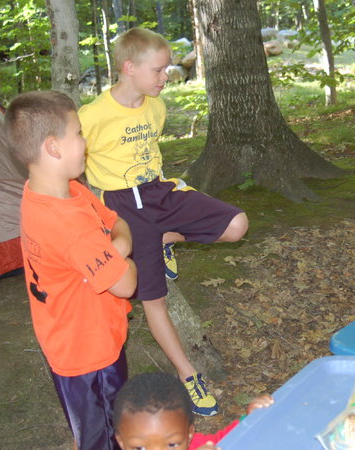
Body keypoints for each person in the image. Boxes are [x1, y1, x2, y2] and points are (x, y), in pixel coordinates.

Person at [79, 27, 249, 416]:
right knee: (154, 300)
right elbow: (75, 167)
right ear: (128, 67)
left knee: (237, 224)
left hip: (159, 192)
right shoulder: (92, 116)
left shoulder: (156, 106)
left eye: (166, 68)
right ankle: (188, 374)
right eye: (157, 70)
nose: (165, 76)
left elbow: (150, 154)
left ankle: (164, 239)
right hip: (123, 207)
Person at [4, 90, 138, 449]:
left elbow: (117, 221)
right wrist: (121, 252)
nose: (84, 140)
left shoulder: (59, 192)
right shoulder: (68, 225)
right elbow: (127, 283)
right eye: (78, 132)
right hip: (88, 355)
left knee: (104, 429)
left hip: (76, 339)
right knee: (105, 436)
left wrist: (116, 249)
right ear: (53, 147)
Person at [113, 372, 274, 450]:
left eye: (172, 445)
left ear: (189, 434)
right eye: (140, 448)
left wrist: (249, 419)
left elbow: (224, 441)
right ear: (121, 442)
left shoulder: (196, 445)